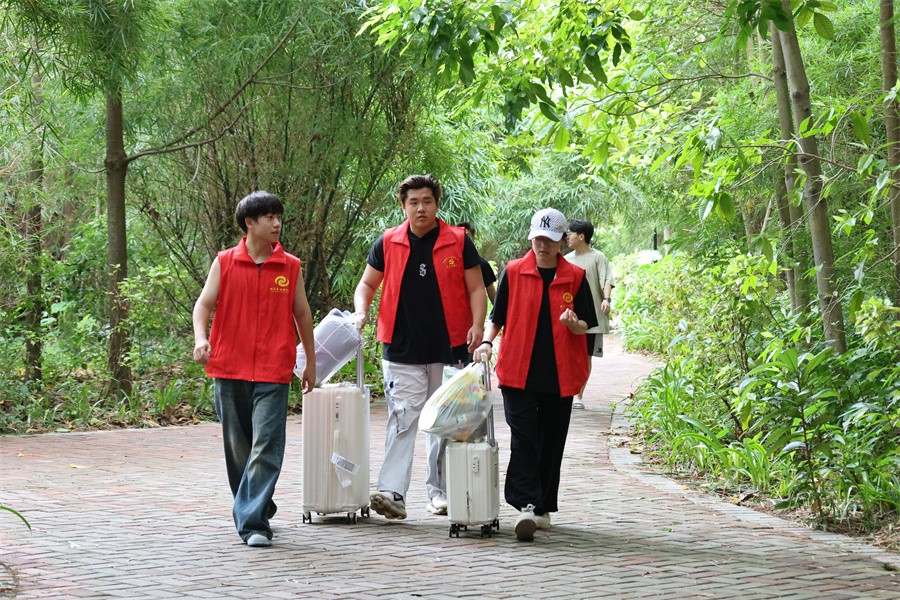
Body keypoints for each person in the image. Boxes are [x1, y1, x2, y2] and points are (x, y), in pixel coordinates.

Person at [352, 174, 487, 520]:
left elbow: (476, 288)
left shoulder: (458, 241)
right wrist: (361, 311)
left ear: (437, 205)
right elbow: (366, 284)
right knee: (402, 418)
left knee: (446, 422)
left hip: (451, 347)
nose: (420, 208)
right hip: (401, 348)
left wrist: (477, 325)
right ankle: (392, 493)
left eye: (427, 201)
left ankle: (440, 493)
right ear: (403, 207)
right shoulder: (388, 241)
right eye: (413, 202)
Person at [192, 191, 316, 548]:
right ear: (250, 223)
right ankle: (258, 502)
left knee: (266, 445)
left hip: (274, 369)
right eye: (269, 218)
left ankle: (253, 524)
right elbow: (203, 305)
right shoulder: (225, 262)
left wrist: (310, 361)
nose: (277, 224)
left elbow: (302, 314)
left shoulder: (290, 266)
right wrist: (201, 339)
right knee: (238, 448)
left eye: (279, 217)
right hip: (229, 367)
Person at [475, 208, 596, 541]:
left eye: (550, 240)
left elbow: (587, 323)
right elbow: (497, 316)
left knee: (551, 441)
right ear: (531, 237)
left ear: (562, 241)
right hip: (518, 370)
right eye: (538, 239)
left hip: (559, 372)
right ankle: (526, 504)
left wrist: (574, 324)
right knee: (524, 436)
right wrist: (486, 342)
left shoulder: (575, 276)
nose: (542, 246)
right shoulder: (513, 271)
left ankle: (542, 508)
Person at [565, 219, 615, 409]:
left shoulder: (598, 257)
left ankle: (578, 396)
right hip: (569, 316)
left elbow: (606, 280)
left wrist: (606, 299)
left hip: (591, 316)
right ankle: (567, 392)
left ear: (581, 236)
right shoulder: (566, 259)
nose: (567, 236)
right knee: (568, 355)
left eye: (570, 233)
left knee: (585, 356)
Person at [457, 221, 497, 305]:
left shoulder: (482, 264)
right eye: (460, 235)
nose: (464, 239)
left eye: (467, 236)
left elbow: (492, 293)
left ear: (473, 238)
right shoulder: (449, 263)